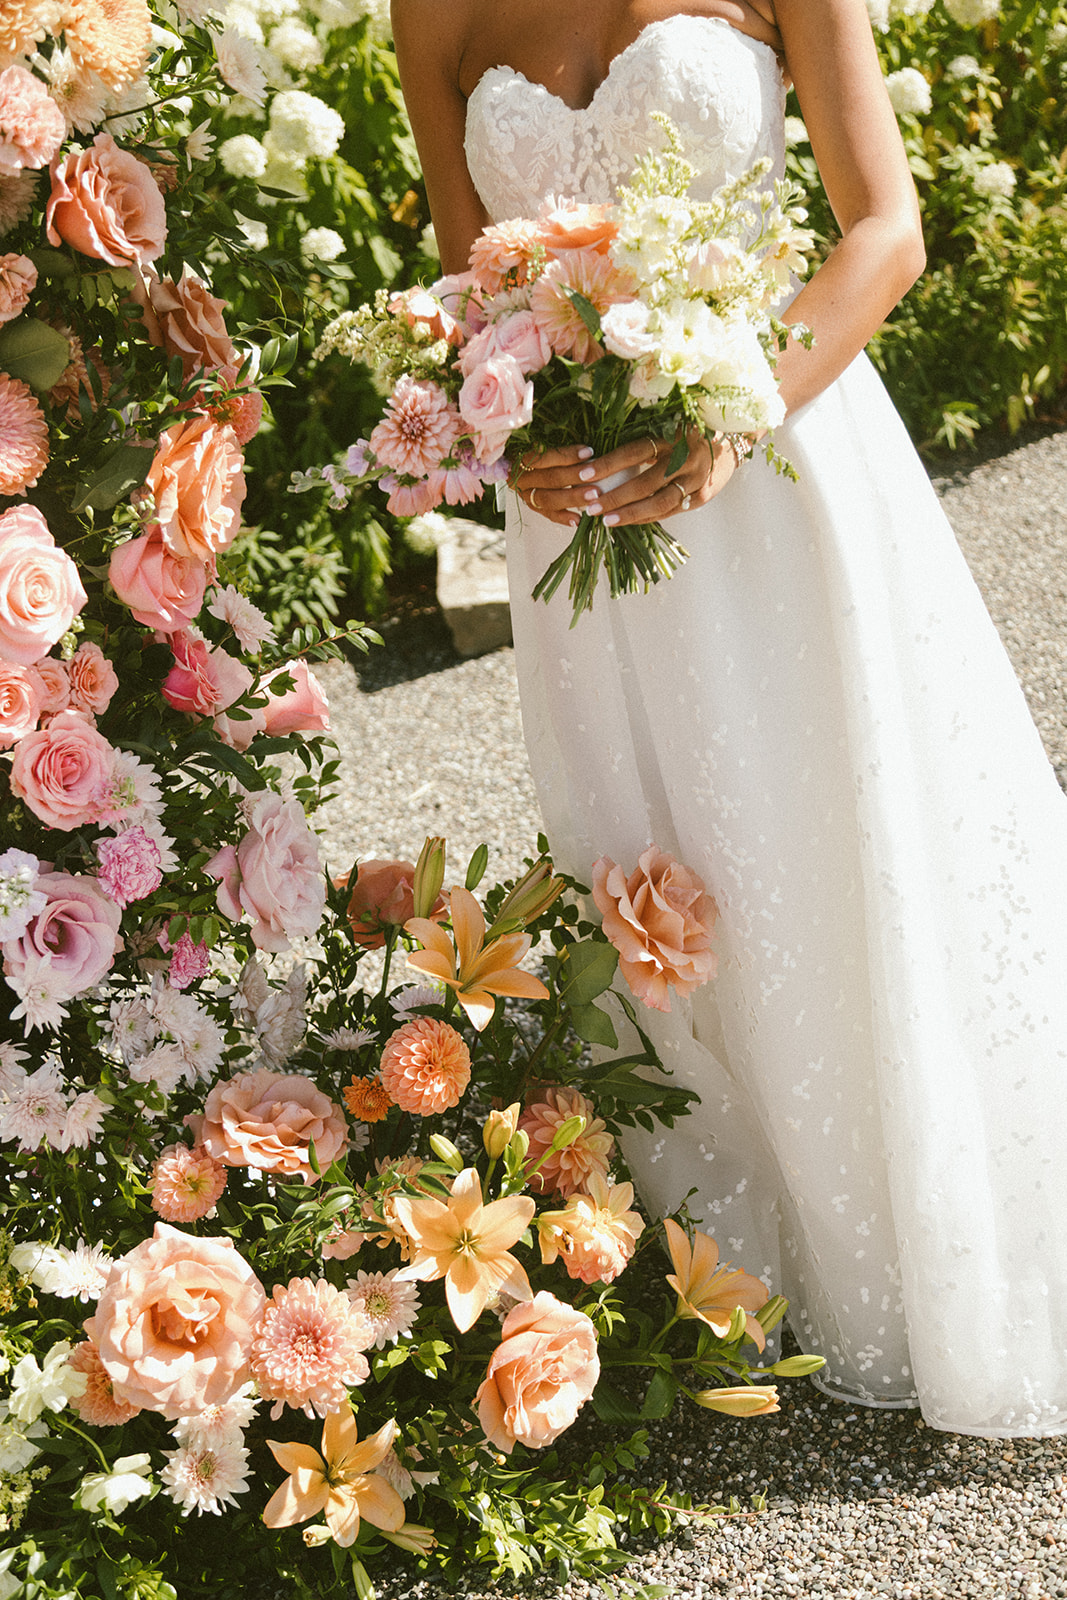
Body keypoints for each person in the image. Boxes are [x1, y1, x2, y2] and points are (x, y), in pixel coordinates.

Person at [391, 0, 1067, 1437]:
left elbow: (886, 227)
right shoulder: (430, 6)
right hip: (587, 531)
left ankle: (941, 1241)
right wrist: (509, 428)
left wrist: (736, 409)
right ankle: (734, 1275)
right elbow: (466, 285)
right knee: (661, 867)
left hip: (781, 474)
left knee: (838, 834)